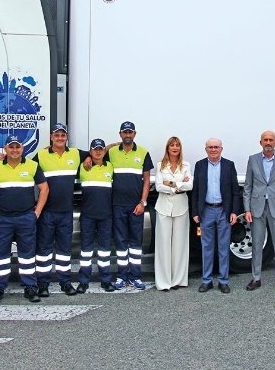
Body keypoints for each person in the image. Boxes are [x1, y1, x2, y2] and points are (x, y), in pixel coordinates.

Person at [0, 135, 49, 304]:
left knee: (27, 255)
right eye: (11, 147)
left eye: (17, 147)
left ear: (22, 148)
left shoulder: (33, 166)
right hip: (2, 218)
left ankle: (29, 287)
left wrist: (37, 212)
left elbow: (44, 189)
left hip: (26, 217)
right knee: (0, 255)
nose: (14, 150)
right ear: (5, 149)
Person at [32, 123, 89, 297]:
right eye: (56, 135)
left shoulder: (75, 154)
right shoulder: (41, 155)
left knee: (64, 250)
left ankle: (65, 282)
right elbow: (22, 167)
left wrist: (88, 158)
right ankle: (43, 284)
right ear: (51, 137)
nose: (60, 138)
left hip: (66, 211)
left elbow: (98, 153)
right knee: (44, 251)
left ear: (67, 137)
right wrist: (2, 157)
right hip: (47, 212)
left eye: (63, 135)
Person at [243, 131, 275, 293]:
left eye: (271, 140)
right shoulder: (253, 160)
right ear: (260, 142)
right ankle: (256, 278)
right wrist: (247, 209)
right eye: (265, 140)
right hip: (257, 207)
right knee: (257, 245)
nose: (268, 142)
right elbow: (248, 187)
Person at [108, 121, 154, 290]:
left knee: (135, 243)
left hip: (136, 206)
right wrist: (110, 145)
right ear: (120, 134)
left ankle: (135, 276)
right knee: (120, 243)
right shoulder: (112, 152)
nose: (127, 135)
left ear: (135, 134)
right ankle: (121, 276)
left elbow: (147, 180)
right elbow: (97, 156)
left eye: (130, 132)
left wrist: (143, 202)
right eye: (124, 132)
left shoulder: (143, 153)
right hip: (117, 205)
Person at [191, 138, 241, 294]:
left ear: (221, 149)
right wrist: (195, 212)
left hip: (223, 211)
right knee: (206, 247)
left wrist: (234, 211)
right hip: (206, 211)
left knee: (223, 247)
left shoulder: (229, 165)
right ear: (206, 149)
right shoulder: (200, 165)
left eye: (216, 147)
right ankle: (206, 280)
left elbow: (235, 190)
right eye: (210, 147)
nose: (213, 150)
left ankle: (223, 281)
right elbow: (196, 191)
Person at [76, 139, 116, 293]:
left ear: (104, 151)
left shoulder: (111, 167)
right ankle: (83, 281)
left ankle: (105, 280)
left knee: (105, 250)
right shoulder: (82, 166)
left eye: (101, 149)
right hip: (88, 215)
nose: (98, 152)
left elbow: (118, 145)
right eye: (95, 149)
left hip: (106, 215)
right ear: (90, 151)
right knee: (86, 250)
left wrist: (112, 144)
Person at [154, 136, 193, 291]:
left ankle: (178, 280)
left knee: (180, 244)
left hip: (181, 206)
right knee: (163, 244)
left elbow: (189, 185)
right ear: (167, 148)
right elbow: (158, 186)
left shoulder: (186, 165)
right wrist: (178, 185)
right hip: (163, 206)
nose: (175, 148)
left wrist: (170, 183)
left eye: (177, 145)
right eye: (172, 145)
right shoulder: (160, 165)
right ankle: (164, 282)